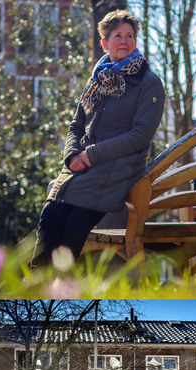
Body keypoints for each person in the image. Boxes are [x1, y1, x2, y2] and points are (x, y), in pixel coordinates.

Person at [32, 9, 166, 267]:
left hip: (116, 169)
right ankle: (35, 286)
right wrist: (71, 155)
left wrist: (90, 156)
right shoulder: (97, 79)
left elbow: (141, 135)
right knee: (50, 216)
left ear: (135, 42)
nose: (124, 41)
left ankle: (53, 288)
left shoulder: (148, 82)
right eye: (118, 36)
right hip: (79, 169)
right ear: (106, 43)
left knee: (73, 225)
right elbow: (77, 124)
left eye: (129, 36)